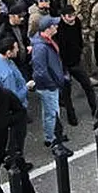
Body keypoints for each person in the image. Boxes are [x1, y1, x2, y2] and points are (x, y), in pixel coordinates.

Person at [30, 15, 65, 147]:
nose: (56, 27)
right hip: (48, 86)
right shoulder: (41, 47)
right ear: (48, 28)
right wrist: (52, 84)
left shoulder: (45, 43)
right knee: (52, 113)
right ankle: (53, 138)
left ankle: (52, 135)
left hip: (50, 83)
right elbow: (40, 71)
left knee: (50, 112)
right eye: (54, 25)